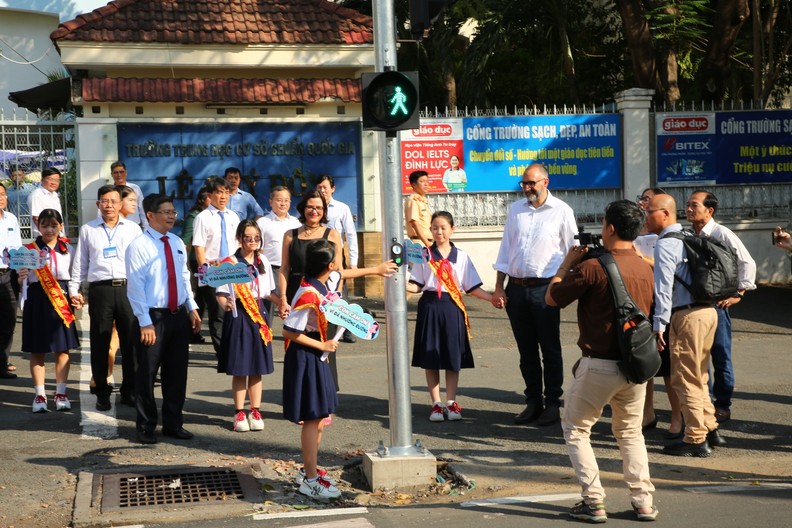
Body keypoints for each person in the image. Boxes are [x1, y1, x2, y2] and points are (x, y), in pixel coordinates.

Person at [545, 199, 658, 523]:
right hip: (635, 364)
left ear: (609, 228)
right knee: (630, 433)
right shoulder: (644, 266)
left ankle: (594, 500)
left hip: (599, 364)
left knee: (577, 430)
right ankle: (643, 502)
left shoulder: (593, 267)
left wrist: (567, 265)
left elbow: (552, 298)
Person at [282, 238, 396, 501]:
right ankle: (310, 480)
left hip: (319, 355)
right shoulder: (308, 294)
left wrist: (375, 270)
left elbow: (344, 273)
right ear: (329, 264)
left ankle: (309, 470)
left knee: (320, 416)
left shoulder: (325, 281)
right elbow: (290, 331)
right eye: (337, 259)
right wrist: (322, 343)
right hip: (307, 356)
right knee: (312, 418)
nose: (339, 266)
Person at [491, 163, 578, 427]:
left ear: (545, 182)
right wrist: (498, 286)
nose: (527, 188)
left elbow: (573, 251)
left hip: (546, 288)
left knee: (550, 348)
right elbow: (506, 250)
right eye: (524, 184)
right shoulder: (516, 210)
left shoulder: (561, 211)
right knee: (526, 350)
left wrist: (560, 284)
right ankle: (533, 402)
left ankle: (553, 404)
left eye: (532, 183)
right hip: (516, 288)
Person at [646, 193, 725, 457]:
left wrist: (660, 325)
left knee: (684, 380)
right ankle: (709, 427)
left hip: (687, 316)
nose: (645, 216)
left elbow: (663, 289)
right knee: (699, 376)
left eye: (650, 211)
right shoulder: (688, 237)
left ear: (665, 214)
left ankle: (695, 438)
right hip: (707, 312)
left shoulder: (666, 244)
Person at [126, 194, 201, 444]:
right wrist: (145, 322)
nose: (171, 216)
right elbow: (135, 288)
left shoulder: (177, 242)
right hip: (152, 317)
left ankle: (173, 424)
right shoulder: (139, 246)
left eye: (173, 212)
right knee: (147, 374)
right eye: (166, 212)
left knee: (176, 373)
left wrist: (192, 307)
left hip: (177, 315)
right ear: (150, 215)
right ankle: (146, 425)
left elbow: (183, 277)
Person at [407, 211, 492, 421]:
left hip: (452, 307)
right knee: (431, 355)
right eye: (435, 227)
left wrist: (492, 298)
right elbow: (416, 285)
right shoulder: (425, 255)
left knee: (452, 356)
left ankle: (452, 402)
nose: (439, 232)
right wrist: (397, 282)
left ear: (452, 230)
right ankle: (436, 403)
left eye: (443, 227)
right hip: (429, 307)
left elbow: (471, 286)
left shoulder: (461, 256)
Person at [686, 190, 756, 424]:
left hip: (717, 305)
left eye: (694, 205)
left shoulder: (721, 233)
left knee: (721, 356)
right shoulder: (687, 234)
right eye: (687, 204)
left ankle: (723, 404)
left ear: (710, 210)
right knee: (698, 358)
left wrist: (740, 292)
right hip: (694, 306)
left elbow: (746, 261)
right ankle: (704, 402)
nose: (688, 209)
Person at [69, 185, 142, 411]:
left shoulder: (133, 229)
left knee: (131, 343)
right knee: (100, 341)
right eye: (104, 201)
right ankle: (102, 390)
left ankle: (130, 390)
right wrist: (74, 289)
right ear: (98, 204)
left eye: (113, 201)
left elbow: (142, 262)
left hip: (128, 289)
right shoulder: (88, 229)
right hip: (100, 290)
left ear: (121, 204)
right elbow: (80, 263)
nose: (109, 205)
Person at [216, 220, 281, 432]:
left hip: (260, 314)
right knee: (240, 367)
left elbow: (269, 292)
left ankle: (255, 410)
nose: (252, 241)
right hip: (239, 314)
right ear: (239, 238)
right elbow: (221, 293)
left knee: (257, 367)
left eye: (256, 238)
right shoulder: (230, 263)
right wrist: (225, 304)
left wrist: (282, 303)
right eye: (248, 237)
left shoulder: (264, 261)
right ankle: (238, 412)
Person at [17, 209, 81, 412]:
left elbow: (74, 276)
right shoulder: (28, 250)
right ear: (38, 226)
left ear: (61, 226)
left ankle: (61, 392)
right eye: (45, 225)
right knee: (38, 350)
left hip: (60, 299)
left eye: (54, 225)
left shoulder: (68, 249)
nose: (49, 229)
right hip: (37, 300)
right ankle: (40, 395)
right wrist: (21, 277)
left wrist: (75, 296)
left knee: (62, 349)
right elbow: (20, 282)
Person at [636, 187, 683, 439]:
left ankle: (678, 418)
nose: (643, 206)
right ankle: (647, 413)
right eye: (641, 200)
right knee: (645, 365)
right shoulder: (638, 230)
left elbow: (667, 281)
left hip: (664, 309)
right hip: (642, 303)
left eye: (648, 202)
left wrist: (661, 323)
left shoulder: (670, 238)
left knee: (669, 368)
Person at [192, 176, 241, 354]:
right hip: (213, 271)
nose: (223, 196)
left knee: (235, 308)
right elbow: (199, 247)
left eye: (226, 192)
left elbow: (238, 244)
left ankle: (235, 349)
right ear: (210, 194)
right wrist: (206, 274)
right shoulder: (203, 218)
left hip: (233, 270)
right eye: (219, 192)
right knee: (218, 313)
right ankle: (223, 354)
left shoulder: (233, 216)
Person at [316, 175, 358, 343]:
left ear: (332, 188)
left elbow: (351, 234)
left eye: (325, 187)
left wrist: (354, 262)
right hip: (317, 257)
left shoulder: (342, 208)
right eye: (319, 187)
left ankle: (346, 329)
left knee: (340, 293)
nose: (322, 190)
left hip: (337, 257)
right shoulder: (313, 207)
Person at [256, 185, 300, 320]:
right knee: (266, 307)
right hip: (270, 269)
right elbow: (258, 248)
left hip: (292, 270)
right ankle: (264, 336)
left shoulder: (296, 223)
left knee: (293, 304)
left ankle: (293, 335)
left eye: (286, 200)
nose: (283, 203)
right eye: (279, 200)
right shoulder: (262, 222)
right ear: (271, 202)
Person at [180, 186, 211, 344]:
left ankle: (194, 330)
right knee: (198, 297)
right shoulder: (195, 216)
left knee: (203, 298)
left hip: (208, 261)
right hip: (195, 261)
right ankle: (192, 330)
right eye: (210, 197)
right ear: (204, 199)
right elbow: (185, 241)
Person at [0, 183, 22, 379]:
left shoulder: (12, 218)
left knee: (8, 320)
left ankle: (2, 363)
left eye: (3, 194)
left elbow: (18, 245)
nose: (1, 197)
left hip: (9, 274)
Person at [109, 161, 147, 228]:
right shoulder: (109, 191)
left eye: (121, 172)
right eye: (116, 172)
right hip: (115, 227)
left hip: (135, 226)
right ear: (112, 174)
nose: (119, 175)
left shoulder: (135, 188)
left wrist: (146, 228)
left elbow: (142, 209)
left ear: (126, 173)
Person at [28, 167, 63, 238]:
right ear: (42, 180)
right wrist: (49, 234)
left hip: (57, 237)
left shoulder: (55, 195)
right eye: (50, 179)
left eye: (57, 180)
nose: (54, 183)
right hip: (44, 238)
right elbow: (36, 218)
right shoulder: (37, 195)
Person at [404, 170, 432, 248]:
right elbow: (414, 222)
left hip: (426, 242)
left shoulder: (422, 200)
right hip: (419, 243)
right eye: (422, 181)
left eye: (427, 181)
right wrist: (426, 243)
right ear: (414, 185)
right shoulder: (413, 200)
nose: (426, 184)